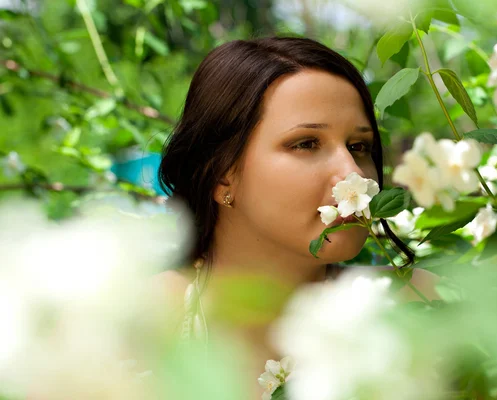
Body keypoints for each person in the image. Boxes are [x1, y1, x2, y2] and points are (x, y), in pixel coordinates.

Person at [149, 36, 439, 391]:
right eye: (306, 144)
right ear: (221, 173)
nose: (353, 173)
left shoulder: (419, 305)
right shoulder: (131, 323)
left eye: (359, 146)